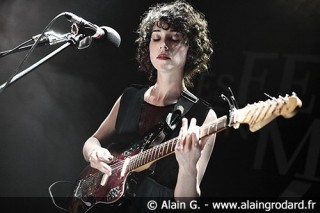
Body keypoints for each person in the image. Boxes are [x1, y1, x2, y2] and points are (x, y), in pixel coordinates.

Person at [79, 0, 216, 212]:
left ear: (192, 48)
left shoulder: (203, 116)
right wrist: (94, 152)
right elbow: (92, 140)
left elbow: (187, 204)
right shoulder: (130, 96)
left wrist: (188, 166)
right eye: (156, 37)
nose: (164, 45)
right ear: (148, 45)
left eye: (175, 38)